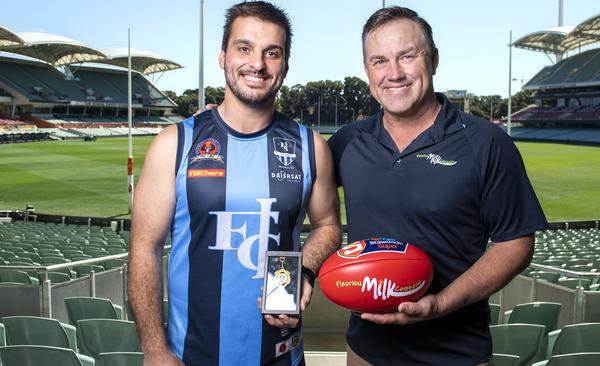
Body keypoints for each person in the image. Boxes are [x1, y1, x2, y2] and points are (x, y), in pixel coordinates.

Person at [328, 6, 548, 366]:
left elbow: (516, 242)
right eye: (379, 61)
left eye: (407, 56)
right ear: (367, 70)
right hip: (366, 351)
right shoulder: (348, 142)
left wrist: (441, 302)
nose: (394, 73)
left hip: (457, 353)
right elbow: (300, 201)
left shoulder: (486, 143)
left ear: (433, 60)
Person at [128, 2, 341, 365]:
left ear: (285, 65)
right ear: (222, 56)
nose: (257, 64)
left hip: (282, 356)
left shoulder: (311, 147)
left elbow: (328, 225)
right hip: (190, 357)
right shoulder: (173, 144)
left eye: (271, 53)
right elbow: (144, 250)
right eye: (244, 48)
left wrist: (304, 266)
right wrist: (154, 349)